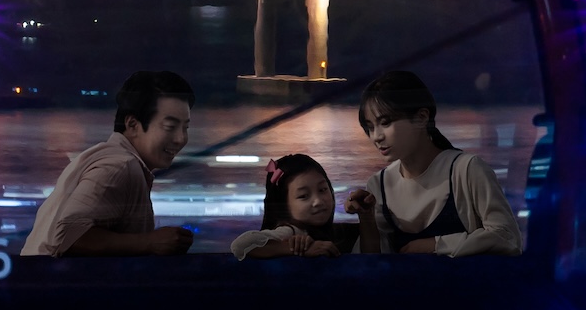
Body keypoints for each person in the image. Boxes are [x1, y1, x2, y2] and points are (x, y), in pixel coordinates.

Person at [342, 69, 523, 256]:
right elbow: (373, 263)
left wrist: (436, 244)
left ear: (421, 117)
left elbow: (507, 237)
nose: (376, 137)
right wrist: (366, 217)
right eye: (370, 128)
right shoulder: (379, 184)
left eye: (386, 123)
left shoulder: (466, 171)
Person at [22, 71, 195, 257]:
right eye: (170, 127)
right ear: (133, 125)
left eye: (185, 128)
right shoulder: (120, 167)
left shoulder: (104, 158)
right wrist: (149, 242)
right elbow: (66, 237)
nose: (180, 138)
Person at [232, 153, 360, 259]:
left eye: (322, 190)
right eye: (303, 196)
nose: (318, 201)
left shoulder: (330, 230)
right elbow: (240, 245)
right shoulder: (292, 231)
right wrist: (294, 249)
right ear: (284, 204)